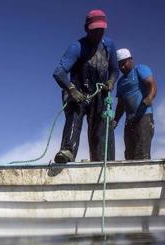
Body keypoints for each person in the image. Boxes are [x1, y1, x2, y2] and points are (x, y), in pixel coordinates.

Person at [53, 9, 119, 163]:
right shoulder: (76, 47)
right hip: (78, 91)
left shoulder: (109, 46)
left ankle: (103, 158)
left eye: (101, 30)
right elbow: (59, 72)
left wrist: (111, 81)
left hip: (99, 92)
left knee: (101, 125)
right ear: (86, 29)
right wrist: (71, 89)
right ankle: (67, 151)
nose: (97, 34)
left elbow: (115, 70)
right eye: (94, 30)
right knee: (75, 114)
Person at [112, 48, 157, 160]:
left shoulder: (140, 69)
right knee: (129, 154)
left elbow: (152, 85)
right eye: (119, 65)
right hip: (130, 120)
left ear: (131, 59)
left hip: (143, 116)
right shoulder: (121, 82)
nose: (122, 67)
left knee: (141, 153)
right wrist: (115, 120)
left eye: (124, 63)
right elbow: (120, 105)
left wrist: (149, 98)